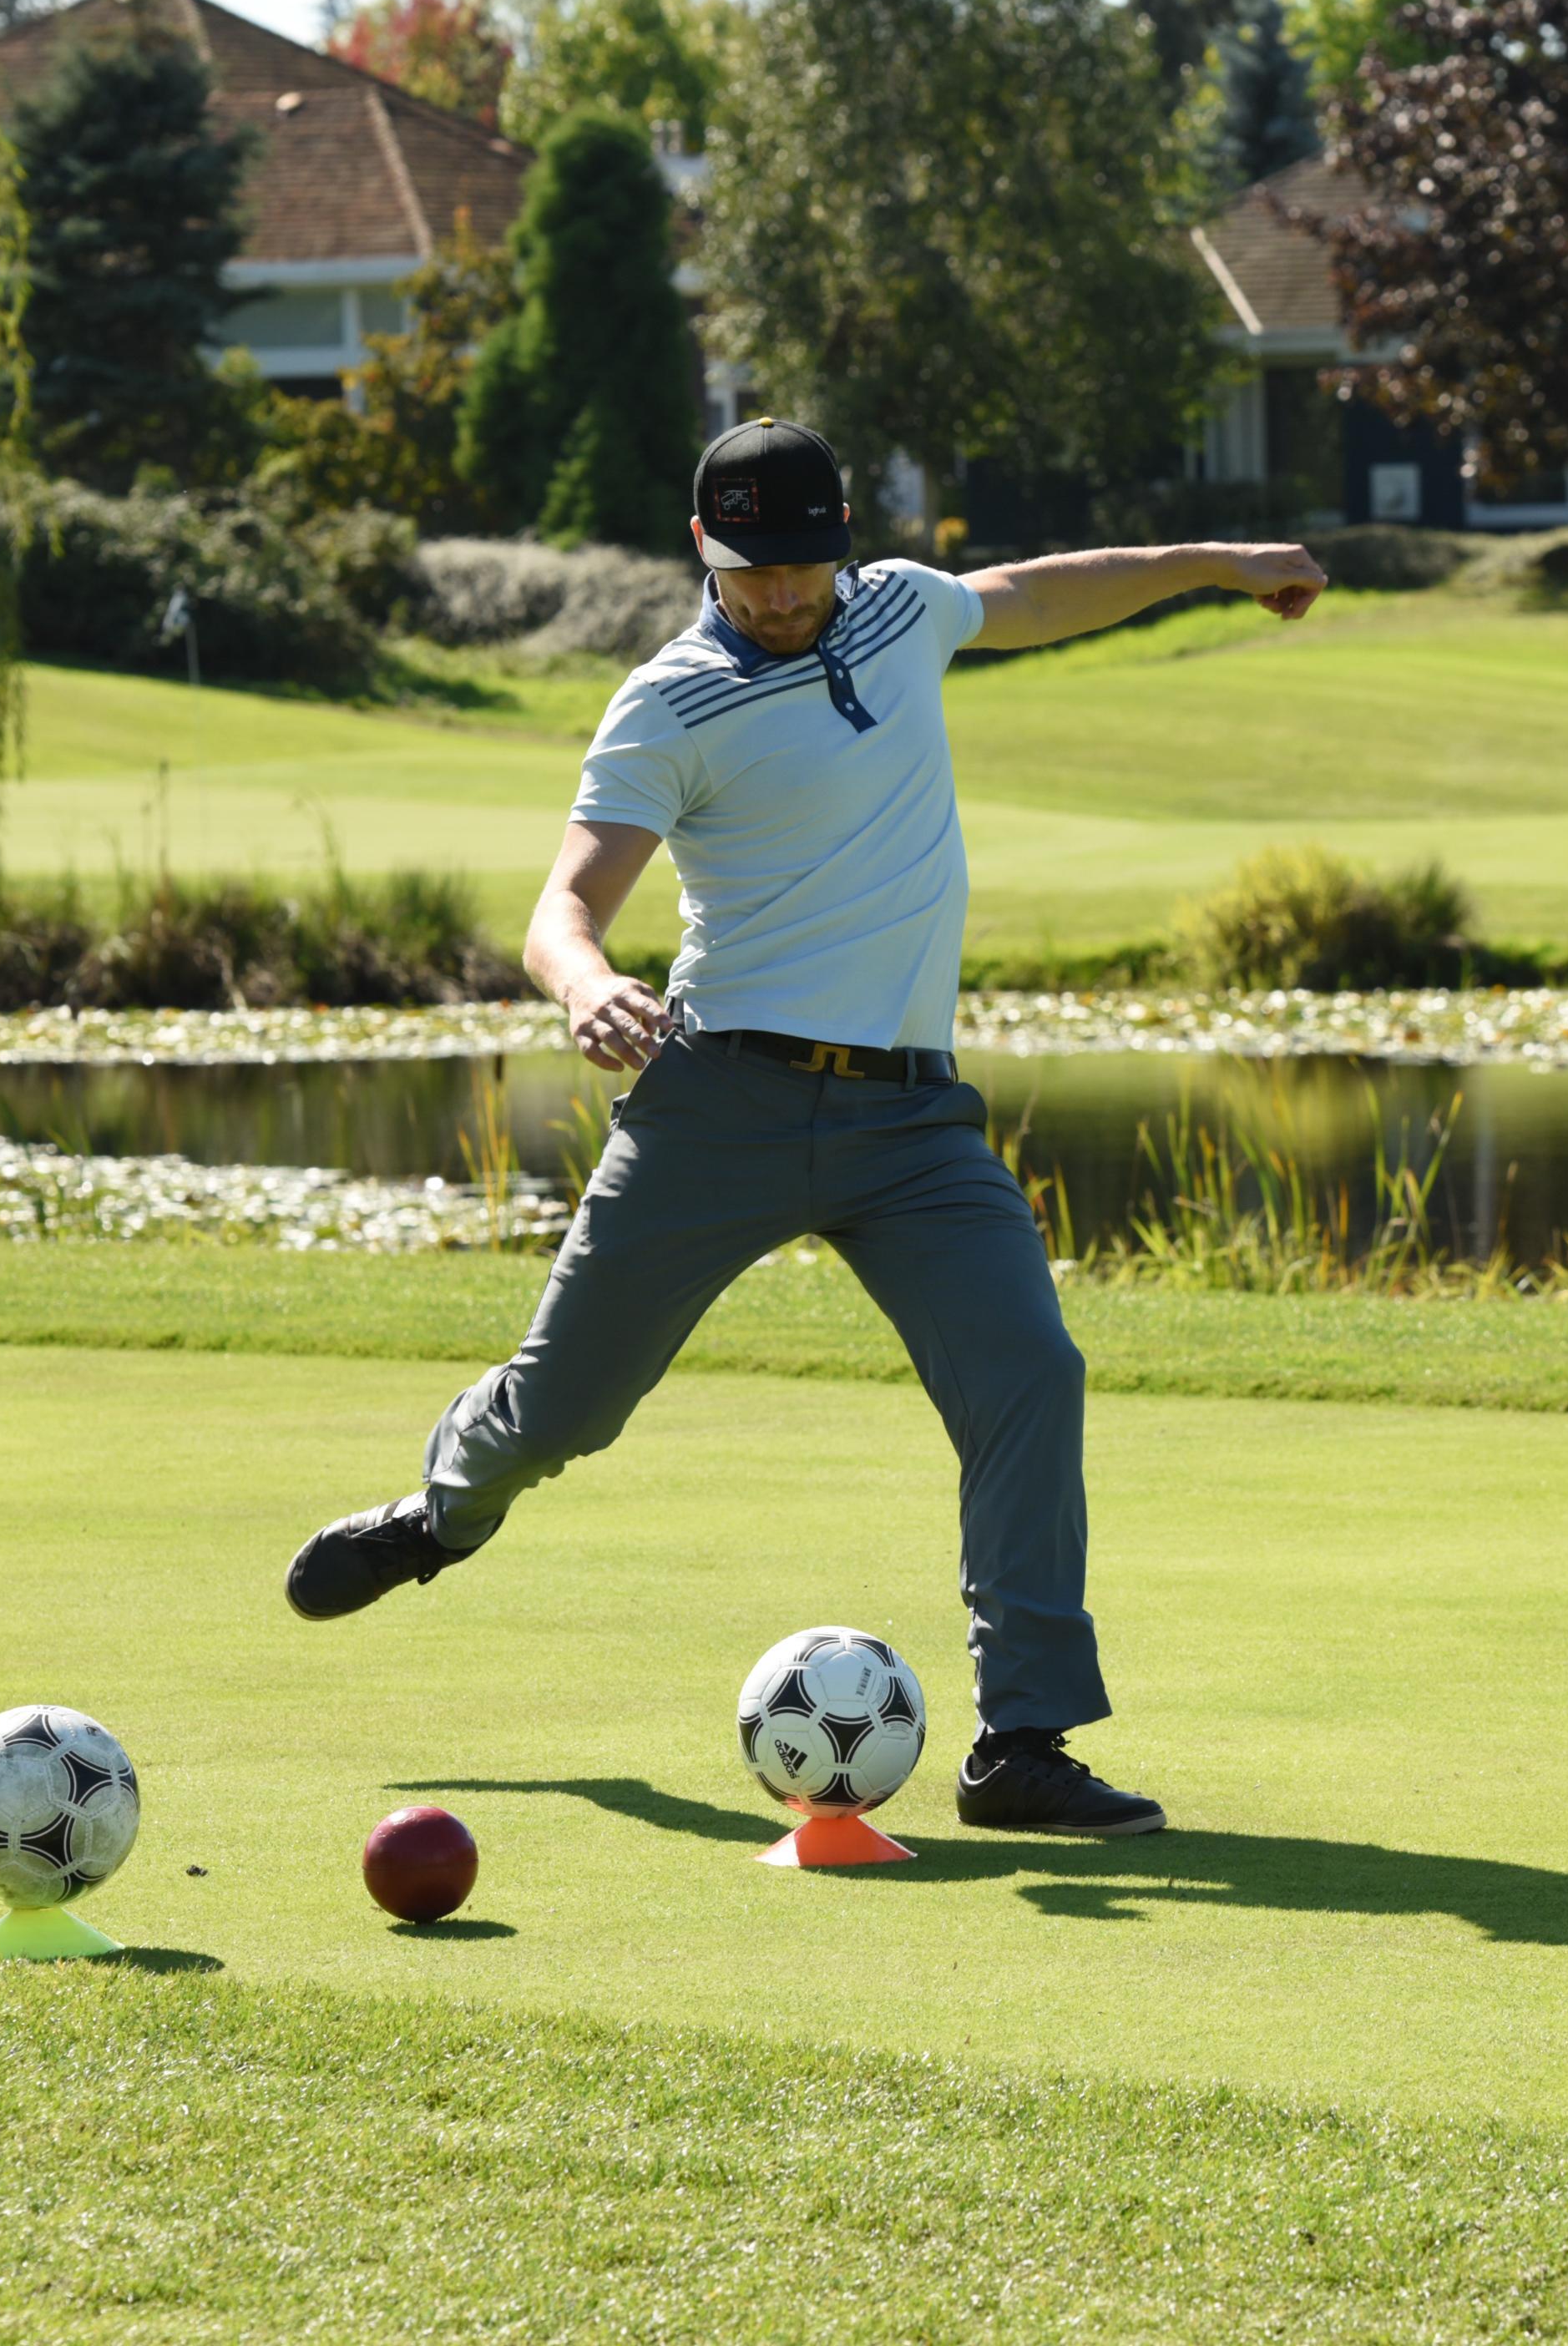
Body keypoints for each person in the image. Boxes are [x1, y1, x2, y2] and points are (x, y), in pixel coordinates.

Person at [282, 418, 1328, 1838]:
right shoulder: (669, 702)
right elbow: (563, 908)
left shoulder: (898, 609)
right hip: (722, 1103)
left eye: (802, 564)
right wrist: (586, 986)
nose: (779, 594)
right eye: (750, 568)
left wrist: (1220, 562)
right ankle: (444, 1513)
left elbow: (1044, 590)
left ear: (843, 544)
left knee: (1029, 1372)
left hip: (916, 1123)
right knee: (568, 1408)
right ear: (701, 551)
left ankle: (1022, 1746)